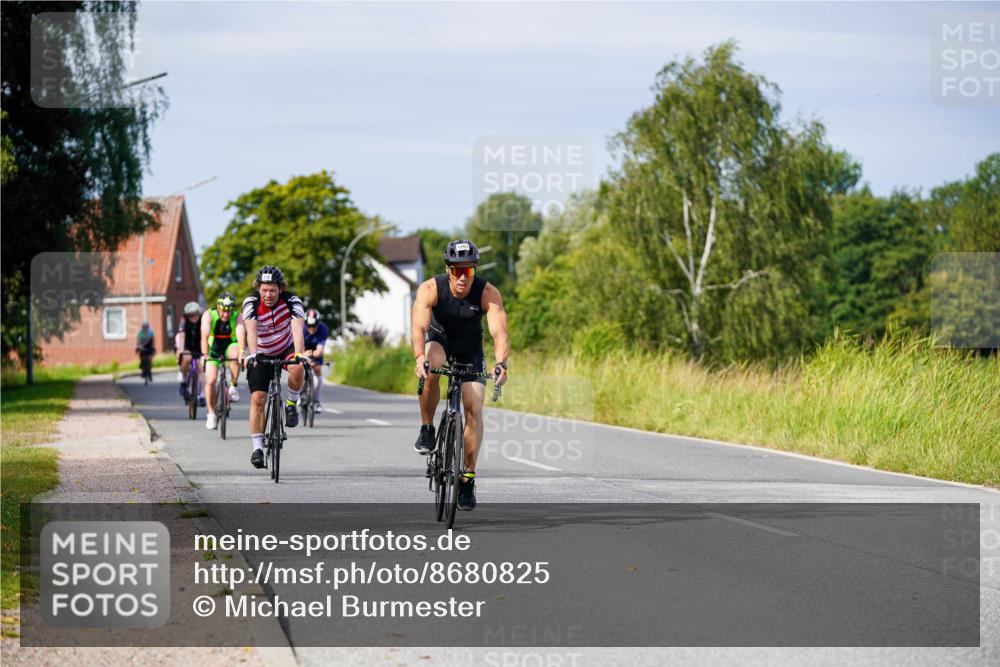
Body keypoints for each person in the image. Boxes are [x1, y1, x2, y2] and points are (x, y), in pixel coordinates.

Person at [410, 239, 509, 511]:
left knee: (474, 408)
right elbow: (418, 328)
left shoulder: (487, 292)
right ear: (448, 269)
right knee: (432, 367)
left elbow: (499, 332)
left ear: (474, 270)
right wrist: (419, 358)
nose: (463, 277)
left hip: (470, 349)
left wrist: (501, 363)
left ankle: (467, 477)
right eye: (456, 270)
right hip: (440, 340)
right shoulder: (430, 288)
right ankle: (427, 428)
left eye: (468, 270)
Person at [242, 266, 308, 469]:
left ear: (280, 289)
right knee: (257, 399)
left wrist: (299, 354)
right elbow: (250, 331)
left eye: (272, 290)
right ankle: (257, 448)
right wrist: (252, 354)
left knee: (297, 368)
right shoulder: (250, 303)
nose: (268, 295)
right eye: (264, 290)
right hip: (261, 351)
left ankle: (291, 405)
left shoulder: (292, 301)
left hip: (285, 347)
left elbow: (297, 329)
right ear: (258, 289)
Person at [201, 292, 245, 430]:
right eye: (223, 311)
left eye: (229, 311)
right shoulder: (209, 314)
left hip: (229, 344)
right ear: (218, 308)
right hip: (213, 346)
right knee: (211, 381)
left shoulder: (237, 315)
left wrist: (242, 352)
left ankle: (233, 386)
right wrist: (204, 354)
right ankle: (211, 414)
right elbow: (205, 334)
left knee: (236, 352)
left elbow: (240, 332)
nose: (226, 315)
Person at [176, 301, 205, 405]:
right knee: (187, 358)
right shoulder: (183, 320)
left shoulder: (202, 319)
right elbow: (182, 336)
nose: (193, 317)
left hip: (198, 345)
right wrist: (181, 351)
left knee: (201, 367)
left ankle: (201, 393)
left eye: (195, 314)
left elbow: (206, 336)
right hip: (186, 344)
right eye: (190, 315)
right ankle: (183, 380)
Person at [303, 308, 330, 413]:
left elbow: (320, 349)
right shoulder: (301, 328)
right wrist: (304, 354)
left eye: (314, 326)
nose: (312, 329)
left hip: (315, 349)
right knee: (299, 369)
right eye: (309, 326)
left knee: (317, 370)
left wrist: (316, 354)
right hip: (304, 348)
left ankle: (316, 400)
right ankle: (301, 395)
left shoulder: (323, 328)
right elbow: (298, 346)